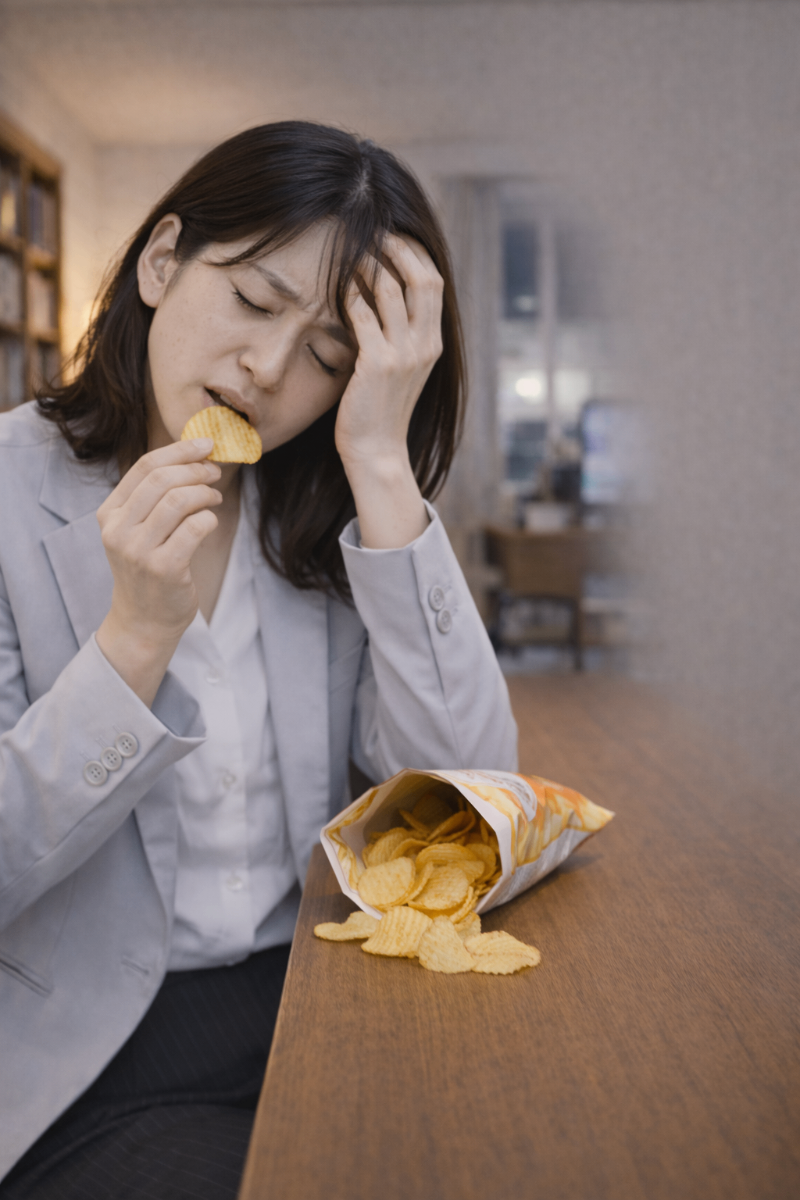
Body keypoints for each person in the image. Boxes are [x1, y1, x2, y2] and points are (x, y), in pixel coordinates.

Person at [0, 121, 517, 1199]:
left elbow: (467, 797)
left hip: (320, 1009)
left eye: (328, 356)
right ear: (161, 261)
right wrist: (134, 642)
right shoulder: (9, 491)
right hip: (94, 1061)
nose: (269, 370)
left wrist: (377, 456)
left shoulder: (318, 508)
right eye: (253, 301)